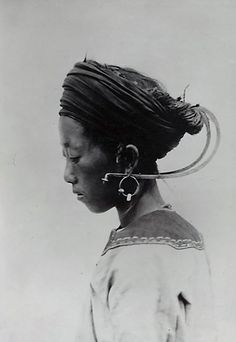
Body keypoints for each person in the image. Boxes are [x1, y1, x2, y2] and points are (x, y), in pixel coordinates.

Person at [59, 59, 220, 342]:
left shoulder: (138, 258)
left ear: (128, 159)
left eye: (74, 157)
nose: (68, 175)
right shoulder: (183, 237)